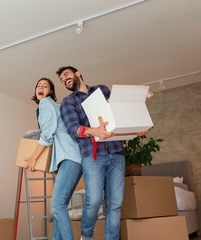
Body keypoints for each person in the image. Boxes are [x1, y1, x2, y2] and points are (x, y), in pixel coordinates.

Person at [56, 66, 148, 240]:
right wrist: (95, 131)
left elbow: (118, 114)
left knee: (114, 204)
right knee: (94, 201)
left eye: (66, 75)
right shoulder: (69, 102)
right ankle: (87, 236)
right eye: (61, 80)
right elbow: (73, 128)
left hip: (116, 153)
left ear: (78, 73)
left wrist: (136, 128)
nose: (64, 80)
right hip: (92, 156)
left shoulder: (102, 89)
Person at [25, 77, 83, 240]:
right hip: (74, 159)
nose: (41, 87)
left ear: (50, 91)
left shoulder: (46, 104)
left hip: (69, 159)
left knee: (57, 206)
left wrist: (33, 158)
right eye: (38, 85)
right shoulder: (54, 107)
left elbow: (48, 135)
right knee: (61, 206)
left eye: (45, 86)